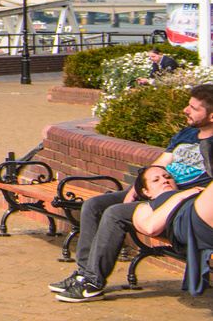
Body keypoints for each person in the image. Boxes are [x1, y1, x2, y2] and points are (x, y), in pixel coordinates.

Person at [49, 83, 213, 300]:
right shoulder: (187, 134)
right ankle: (83, 274)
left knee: (116, 213)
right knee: (94, 205)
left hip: (173, 199)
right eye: (188, 105)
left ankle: (93, 282)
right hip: (153, 187)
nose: (186, 110)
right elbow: (159, 165)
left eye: (193, 108)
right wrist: (136, 189)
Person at [58, 162, 213, 302]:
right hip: (191, 217)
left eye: (168, 177)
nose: (165, 180)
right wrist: (181, 196)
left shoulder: (190, 193)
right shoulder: (148, 205)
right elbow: (150, 227)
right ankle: (88, 279)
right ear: (146, 192)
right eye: (156, 180)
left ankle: (88, 279)